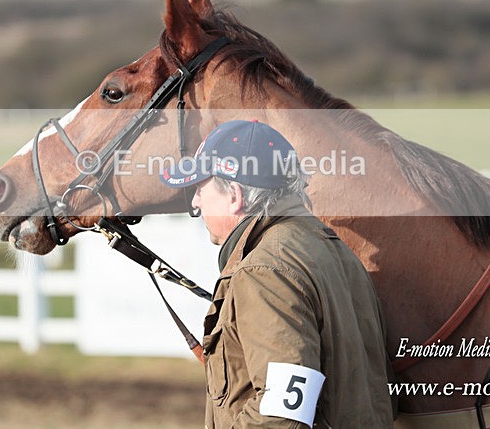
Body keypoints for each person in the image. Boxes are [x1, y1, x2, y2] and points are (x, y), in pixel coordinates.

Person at [160, 119, 395, 428]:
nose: (195, 200)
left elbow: (282, 416)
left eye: (201, 187)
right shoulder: (332, 247)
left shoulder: (263, 271)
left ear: (234, 195)